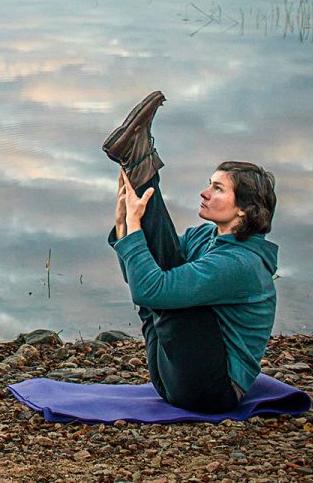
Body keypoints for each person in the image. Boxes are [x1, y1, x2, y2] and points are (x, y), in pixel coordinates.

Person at [102, 91, 279, 413]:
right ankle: (139, 165)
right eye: (209, 184)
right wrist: (124, 227)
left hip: (210, 391)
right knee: (164, 265)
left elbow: (150, 291)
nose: (204, 192)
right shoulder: (204, 238)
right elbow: (141, 277)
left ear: (243, 210)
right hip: (169, 374)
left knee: (169, 290)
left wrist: (135, 228)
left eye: (218, 189)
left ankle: (142, 166)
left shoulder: (241, 264)